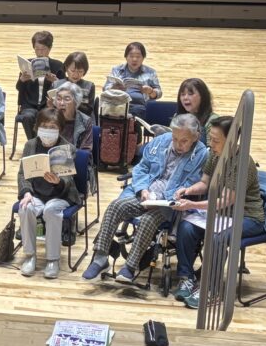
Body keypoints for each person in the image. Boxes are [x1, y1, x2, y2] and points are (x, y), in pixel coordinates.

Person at [82, 114, 207, 283]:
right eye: (175, 138)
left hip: (168, 205)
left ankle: (130, 267)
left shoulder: (201, 154)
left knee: (148, 220)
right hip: (146, 195)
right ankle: (100, 257)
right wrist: (143, 190)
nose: (178, 144)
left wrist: (163, 199)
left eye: (184, 141)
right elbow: (141, 167)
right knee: (115, 206)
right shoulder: (161, 141)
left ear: (195, 137)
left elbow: (191, 183)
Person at [171, 115, 265, 306]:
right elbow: (204, 183)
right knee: (186, 227)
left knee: (218, 238)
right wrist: (187, 191)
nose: (211, 144)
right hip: (223, 214)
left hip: (247, 217)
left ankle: (211, 290)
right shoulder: (214, 156)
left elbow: (224, 201)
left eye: (215, 140)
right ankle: (186, 277)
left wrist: (192, 205)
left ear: (231, 141)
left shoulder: (242, 163)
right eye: (210, 139)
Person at [17, 108, 79, 279]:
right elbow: (22, 174)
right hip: (36, 194)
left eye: (53, 127)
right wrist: (26, 193)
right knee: (26, 208)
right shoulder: (30, 145)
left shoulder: (67, 148)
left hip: (61, 196)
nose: (48, 131)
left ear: (60, 129)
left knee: (51, 210)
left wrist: (58, 182)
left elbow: (69, 180)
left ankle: (53, 260)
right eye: (44, 126)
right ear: (37, 127)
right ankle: (30, 256)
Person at [15, 31, 65, 141]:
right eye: (37, 49)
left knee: (48, 116)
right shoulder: (27, 63)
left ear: (50, 48)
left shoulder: (58, 65)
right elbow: (19, 89)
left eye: (43, 49)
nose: (40, 52)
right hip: (29, 104)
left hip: (48, 105)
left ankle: (43, 142)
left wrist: (55, 81)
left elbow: (64, 89)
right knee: (28, 117)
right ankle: (34, 143)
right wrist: (22, 80)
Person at [105, 41, 161, 119]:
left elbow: (159, 93)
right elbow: (105, 89)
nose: (134, 59)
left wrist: (151, 91)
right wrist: (113, 88)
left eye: (138, 56)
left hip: (141, 107)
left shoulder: (150, 72)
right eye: (131, 56)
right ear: (126, 57)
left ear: (143, 58)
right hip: (119, 105)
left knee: (137, 111)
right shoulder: (117, 70)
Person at [52, 81, 93, 151]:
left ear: (76, 102)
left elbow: (86, 151)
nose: (61, 103)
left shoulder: (85, 121)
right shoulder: (50, 118)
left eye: (66, 99)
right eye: (58, 99)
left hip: (75, 157)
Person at [176, 78, 217, 143]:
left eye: (190, 94)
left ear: (202, 96)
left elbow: (212, 148)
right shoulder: (177, 117)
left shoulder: (213, 120)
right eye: (183, 94)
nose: (185, 98)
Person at [63, 51, 95, 118]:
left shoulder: (89, 86)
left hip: (81, 120)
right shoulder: (57, 84)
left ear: (84, 71)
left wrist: (74, 101)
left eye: (80, 71)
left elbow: (89, 111)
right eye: (72, 71)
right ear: (66, 68)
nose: (76, 75)